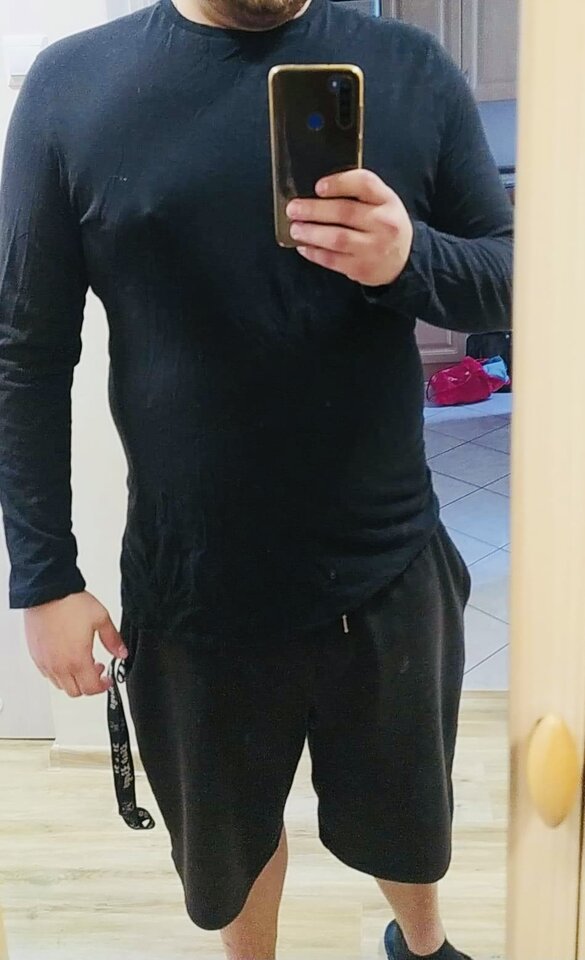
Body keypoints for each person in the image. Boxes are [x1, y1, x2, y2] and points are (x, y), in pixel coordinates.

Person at [0, 0, 513, 957]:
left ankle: (422, 944)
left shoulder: (408, 67)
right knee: (228, 845)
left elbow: (514, 277)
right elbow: (24, 352)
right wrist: (44, 575)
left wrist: (409, 257)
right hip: (193, 580)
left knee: (408, 815)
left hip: (389, 558)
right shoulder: (73, 87)